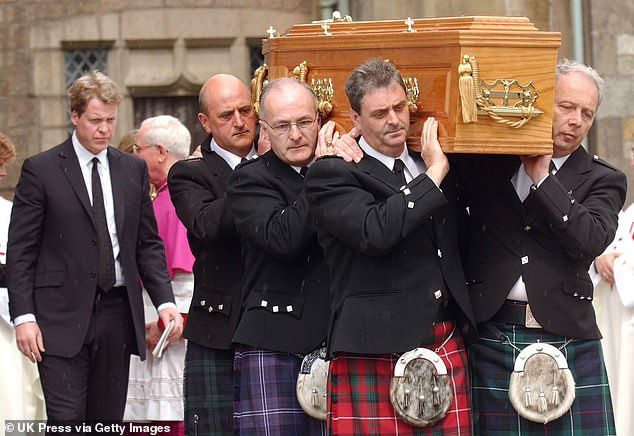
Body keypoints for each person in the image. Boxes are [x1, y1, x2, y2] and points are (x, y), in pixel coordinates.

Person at [305, 58, 476, 435]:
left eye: (400, 107)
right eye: (380, 113)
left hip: (444, 334)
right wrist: (432, 176)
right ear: (355, 119)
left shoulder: (433, 159)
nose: (395, 120)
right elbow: (375, 231)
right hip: (375, 342)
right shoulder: (333, 172)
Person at [458, 59, 626, 434]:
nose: (575, 121)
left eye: (587, 113)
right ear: (542, 101)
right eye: (566, 107)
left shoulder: (605, 178)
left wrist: (542, 179)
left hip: (567, 334)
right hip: (491, 333)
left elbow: (590, 240)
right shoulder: (487, 164)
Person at [7, 71, 183, 425]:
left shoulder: (132, 169)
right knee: (67, 422)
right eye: (95, 120)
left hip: (117, 314)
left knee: (106, 423)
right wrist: (23, 316)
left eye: (111, 121)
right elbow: (21, 251)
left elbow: (146, 244)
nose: (104, 129)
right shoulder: (41, 170)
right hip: (58, 316)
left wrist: (165, 302)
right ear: (74, 116)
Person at [226, 77, 330, 435]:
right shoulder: (249, 179)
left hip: (339, 341)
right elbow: (282, 238)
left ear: (319, 121)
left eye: (303, 122)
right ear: (265, 130)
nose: (296, 134)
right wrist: (323, 172)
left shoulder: (346, 168)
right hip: (275, 341)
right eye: (283, 126)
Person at [167, 73, 258, 435]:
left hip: (282, 326)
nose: (239, 121)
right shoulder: (190, 172)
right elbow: (208, 225)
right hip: (220, 330)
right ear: (204, 122)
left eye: (246, 110)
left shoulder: (282, 161)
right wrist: (259, 170)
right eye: (226, 115)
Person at [123, 115, 195, 436]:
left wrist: (167, 325)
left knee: (168, 417)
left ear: (161, 152)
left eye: (138, 149)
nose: (133, 156)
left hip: (169, 338)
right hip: (152, 330)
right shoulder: (160, 196)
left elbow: (187, 280)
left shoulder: (183, 198)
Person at [0, 133, 46, 424]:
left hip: (8, 319)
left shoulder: (9, 212)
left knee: (15, 401)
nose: (4, 172)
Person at [590, 145, 634, 436]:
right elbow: (610, 244)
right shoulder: (629, 212)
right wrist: (601, 258)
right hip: (618, 323)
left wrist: (618, 264)